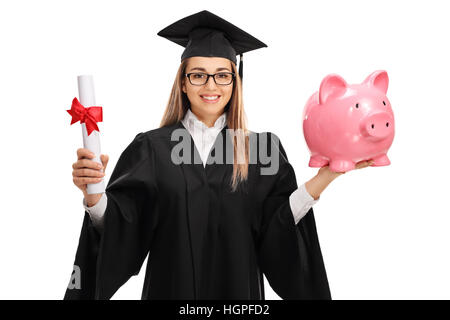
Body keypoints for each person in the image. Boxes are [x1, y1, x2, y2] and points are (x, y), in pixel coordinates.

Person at [65, 10, 372, 300]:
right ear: (183, 83)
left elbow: (278, 231)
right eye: (198, 75)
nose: (210, 85)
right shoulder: (151, 149)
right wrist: (93, 195)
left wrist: (324, 178)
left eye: (222, 75)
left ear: (235, 82)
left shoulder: (262, 150)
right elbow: (123, 228)